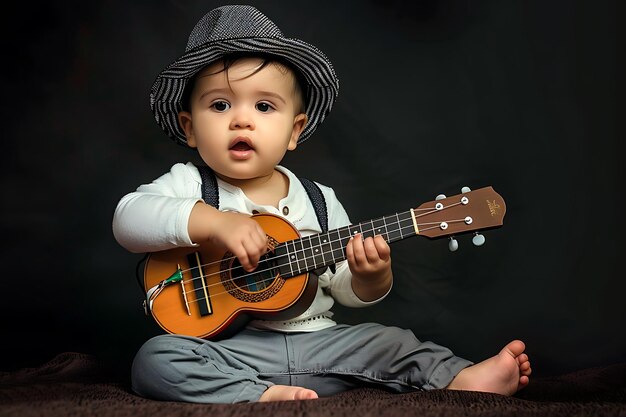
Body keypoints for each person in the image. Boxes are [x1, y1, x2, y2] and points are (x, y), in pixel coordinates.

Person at [112, 5, 531, 403]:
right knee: (156, 358)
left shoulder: (319, 199)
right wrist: (216, 224)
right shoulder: (188, 182)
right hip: (233, 352)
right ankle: (258, 395)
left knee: (394, 341)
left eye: (263, 106)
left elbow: (344, 288)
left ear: (294, 131)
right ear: (190, 127)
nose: (241, 119)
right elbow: (128, 218)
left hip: (323, 345)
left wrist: (371, 276)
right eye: (220, 105)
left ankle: (461, 378)